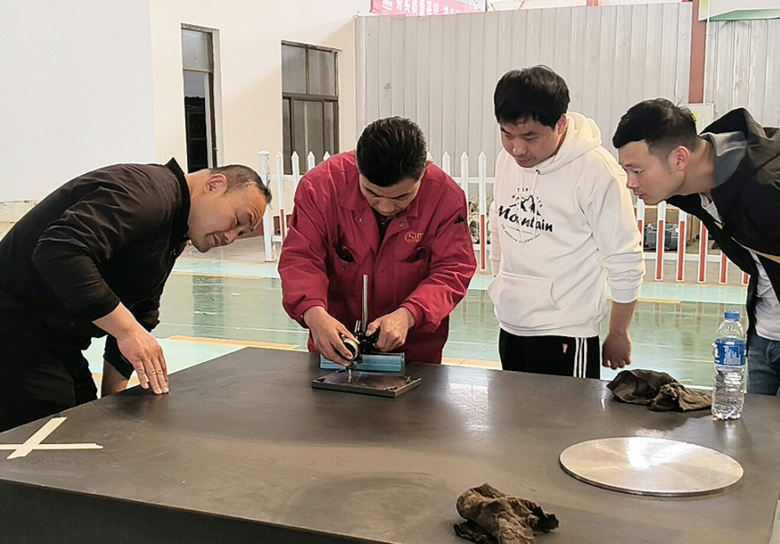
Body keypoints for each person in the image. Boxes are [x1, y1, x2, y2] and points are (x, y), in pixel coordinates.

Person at [0, 159, 271, 432]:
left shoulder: (173, 227)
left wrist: (114, 402)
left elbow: (141, 309)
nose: (231, 237)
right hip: (15, 330)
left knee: (90, 422)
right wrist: (127, 331)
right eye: (237, 221)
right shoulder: (146, 194)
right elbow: (59, 251)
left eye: (241, 233)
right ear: (214, 185)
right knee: (55, 437)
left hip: (58, 343)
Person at [613, 98, 780, 396]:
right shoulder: (699, 183)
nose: (630, 183)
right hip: (764, 333)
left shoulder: (766, 190)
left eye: (637, 171)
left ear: (680, 158)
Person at [278, 116, 476, 366]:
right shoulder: (320, 188)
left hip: (415, 353)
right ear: (356, 163)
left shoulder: (445, 197)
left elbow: (452, 270)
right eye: (371, 192)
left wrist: (409, 314)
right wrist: (314, 315)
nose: (385, 207)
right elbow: (301, 258)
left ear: (425, 169)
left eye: (402, 197)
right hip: (335, 346)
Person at [488, 66, 645, 379]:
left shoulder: (597, 172)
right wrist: (500, 285)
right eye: (507, 134)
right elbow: (498, 227)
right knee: (512, 411)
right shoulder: (508, 160)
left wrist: (618, 331)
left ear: (560, 124)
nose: (517, 148)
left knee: (567, 414)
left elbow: (625, 258)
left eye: (530, 136)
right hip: (511, 325)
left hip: (566, 332)